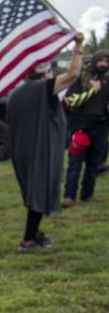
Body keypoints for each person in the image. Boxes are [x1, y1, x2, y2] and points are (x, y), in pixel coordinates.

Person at [9, 34, 84, 251]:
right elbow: (72, 75)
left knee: (33, 192)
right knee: (39, 192)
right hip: (39, 150)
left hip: (22, 151)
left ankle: (36, 234)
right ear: (44, 71)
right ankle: (29, 240)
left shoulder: (16, 93)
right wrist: (78, 47)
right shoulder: (42, 88)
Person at [62, 48, 108, 206]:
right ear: (95, 60)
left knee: (94, 164)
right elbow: (71, 101)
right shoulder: (82, 77)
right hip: (80, 127)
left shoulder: (107, 80)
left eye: (107, 61)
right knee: (75, 163)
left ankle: (87, 195)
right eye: (101, 60)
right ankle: (69, 196)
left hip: (100, 128)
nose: (104, 64)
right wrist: (92, 91)